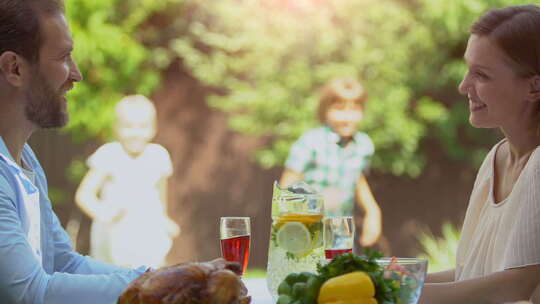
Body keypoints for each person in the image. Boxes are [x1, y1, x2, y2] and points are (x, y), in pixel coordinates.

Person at [0, 1, 149, 303]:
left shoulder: (26, 161)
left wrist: (158, 279)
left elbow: (65, 263)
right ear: (15, 68)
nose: (77, 75)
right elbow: (31, 292)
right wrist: (163, 287)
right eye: (64, 57)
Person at [419, 4, 540, 303]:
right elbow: (470, 274)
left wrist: (393, 294)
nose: (463, 86)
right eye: (467, 70)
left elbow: (517, 286)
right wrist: (378, 280)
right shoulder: (497, 158)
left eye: (482, 75)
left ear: (534, 86)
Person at [76, 95, 179, 269]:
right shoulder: (110, 154)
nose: (135, 133)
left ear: (153, 128)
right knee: (114, 280)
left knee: (148, 278)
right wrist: (103, 213)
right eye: (128, 126)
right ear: (117, 128)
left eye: (142, 126)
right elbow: (84, 195)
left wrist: (164, 219)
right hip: (114, 231)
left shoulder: (158, 155)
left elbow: (161, 196)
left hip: (147, 228)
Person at [280, 77, 382, 247]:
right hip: (308, 235)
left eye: (354, 109)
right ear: (324, 110)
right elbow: (285, 189)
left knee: (345, 272)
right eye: (339, 109)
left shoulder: (364, 145)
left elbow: (358, 180)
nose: (347, 117)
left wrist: (373, 211)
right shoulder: (311, 142)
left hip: (342, 235)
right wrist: (314, 201)